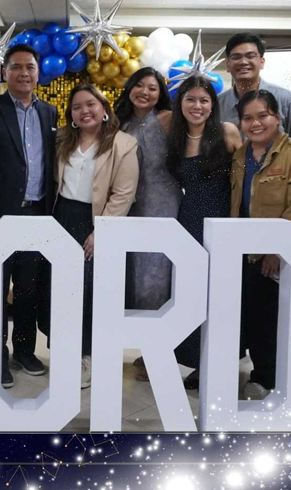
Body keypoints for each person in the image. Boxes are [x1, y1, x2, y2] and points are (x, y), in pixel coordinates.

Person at [0, 43, 59, 388]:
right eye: (16, 67)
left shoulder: (49, 113)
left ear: (38, 73)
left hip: (37, 214)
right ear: (5, 72)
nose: (23, 73)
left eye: (30, 67)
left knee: (29, 287)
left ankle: (24, 350)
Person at [229, 89, 291, 400]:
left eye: (262, 116)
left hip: (275, 257)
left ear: (277, 117)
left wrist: (277, 253)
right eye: (247, 118)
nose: (255, 123)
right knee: (250, 316)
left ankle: (266, 379)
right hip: (244, 252)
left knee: (270, 322)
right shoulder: (240, 156)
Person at [53, 84, 139, 389]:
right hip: (62, 217)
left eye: (90, 104)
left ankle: (87, 356)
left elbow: (124, 193)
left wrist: (101, 231)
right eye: (77, 107)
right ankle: (65, 350)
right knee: (62, 289)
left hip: (95, 221)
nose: (84, 111)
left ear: (104, 108)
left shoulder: (123, 143)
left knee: (89, 291)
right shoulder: (62, 138)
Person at [167, 75, 243, 390]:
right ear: (180, 104)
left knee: (222, 294)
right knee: (194, 294)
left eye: (203, 100)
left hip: (223, 220)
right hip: (189, 222)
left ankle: (224, 360)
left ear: (212, 104)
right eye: (190, 99)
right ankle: (200, 361)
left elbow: (243, 181)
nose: (197, 106)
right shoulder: (175, 138)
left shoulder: (227, 132)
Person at [113, 67, 179, 382]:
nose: (145, 92)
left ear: (160, 93)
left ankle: (158, 352)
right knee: (130, 276)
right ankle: (139, 344)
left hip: (161, 206)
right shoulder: (118, 123)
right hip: (127, 208)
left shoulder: (169, 120)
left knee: (157, 278)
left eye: (152, 88)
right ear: (129, 88)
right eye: (139, 85)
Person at [216, 33, 291, 141]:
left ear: (262, 62)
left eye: (250, 56)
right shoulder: (217, 105)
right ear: (228, 65)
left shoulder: (287, 100)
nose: (243, 62)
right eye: (236, 57)